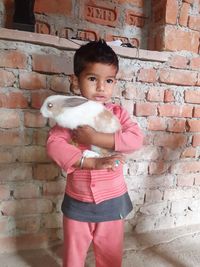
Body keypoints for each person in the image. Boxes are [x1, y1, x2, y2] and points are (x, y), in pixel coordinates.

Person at [47, 39, 143, 267]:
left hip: (112, 198)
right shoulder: (70, 115)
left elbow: (136, 139)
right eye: (92, 79)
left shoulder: (118, 114)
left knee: (110, 254)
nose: (101, 87)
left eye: (108, 80)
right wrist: (87, 163)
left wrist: (96, 139)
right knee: (73, 254)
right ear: (76, 80)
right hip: (78, 199)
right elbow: (53, 143)